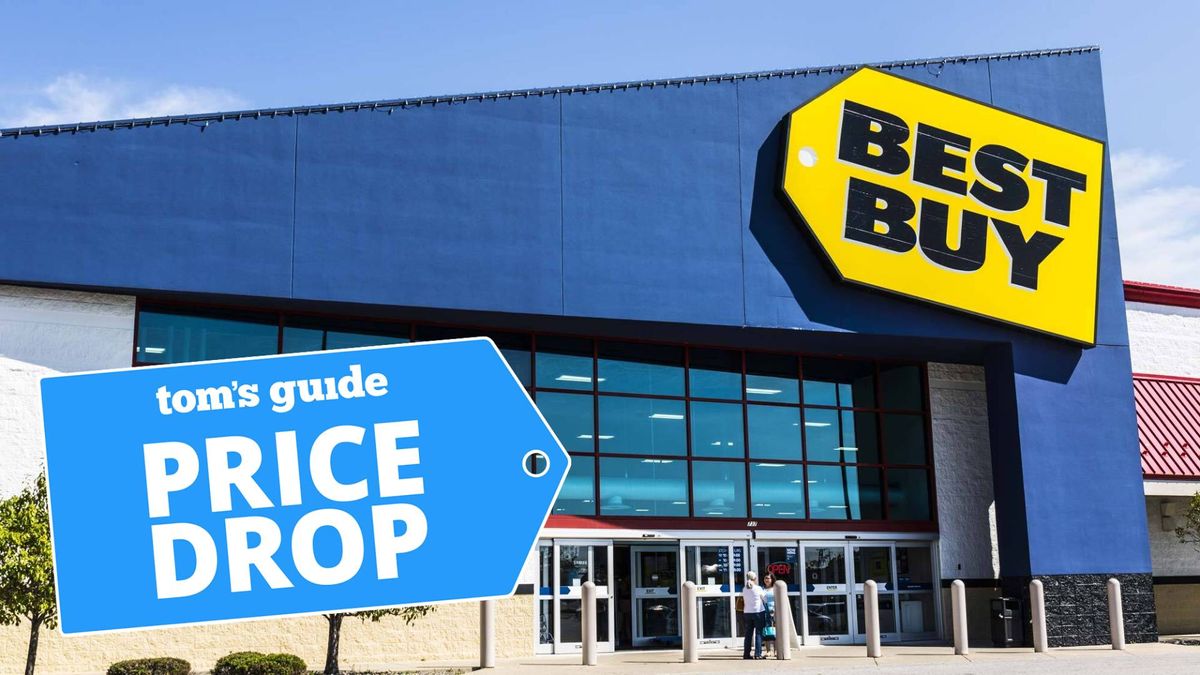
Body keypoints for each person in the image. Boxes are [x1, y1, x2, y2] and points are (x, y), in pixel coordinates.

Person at [742, 571, 767, 660]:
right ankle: (758, 654)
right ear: (755, 578)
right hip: (758, 612)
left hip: (747, 612)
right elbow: (765, 599)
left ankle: (746, 654)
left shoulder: (744, 589)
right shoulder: (758, 588)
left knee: (748, 634)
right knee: (759, 633)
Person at [761, 573, 777, 658]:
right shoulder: (762, 589)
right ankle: (768, 651)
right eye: (765, 578)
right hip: (765, 611)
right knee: (767, 631)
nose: (766, 580)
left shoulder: (775, 588)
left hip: (775, 611)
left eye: (768, 578)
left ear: (772, 579)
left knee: (775, 631)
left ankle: (776, 650)